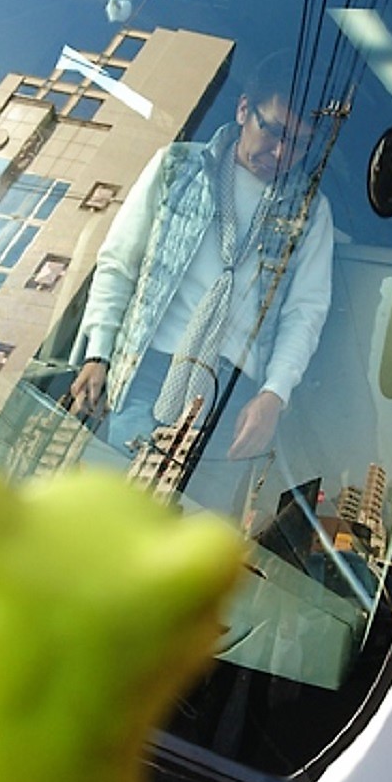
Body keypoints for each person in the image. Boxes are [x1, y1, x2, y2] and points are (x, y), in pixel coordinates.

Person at [70, 64, 334, 514]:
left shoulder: (310, 210)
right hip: (148, 369)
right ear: (244, 110)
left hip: (231, 397)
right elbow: (119, 261)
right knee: (112, 515)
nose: (280, 151)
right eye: (273, 131)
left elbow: (305, 314)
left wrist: (274, 394)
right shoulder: (178, 166)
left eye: (297, 143)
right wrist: (99, 352)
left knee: (187, 533)